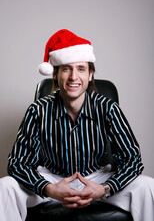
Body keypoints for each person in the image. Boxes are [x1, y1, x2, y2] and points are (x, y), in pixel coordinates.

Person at [0, 29, 154, 221]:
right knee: (5, 187)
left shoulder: (108, 108)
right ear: (55, 74)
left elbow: (132, 159)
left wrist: (104, 189)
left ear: (90, 75)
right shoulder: (38, 110)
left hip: (96, 177)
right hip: (52, 178)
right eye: (66, 69)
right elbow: (17, 163)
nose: (74, 77)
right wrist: (48, 188)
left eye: (81, 69)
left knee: (148, 186)